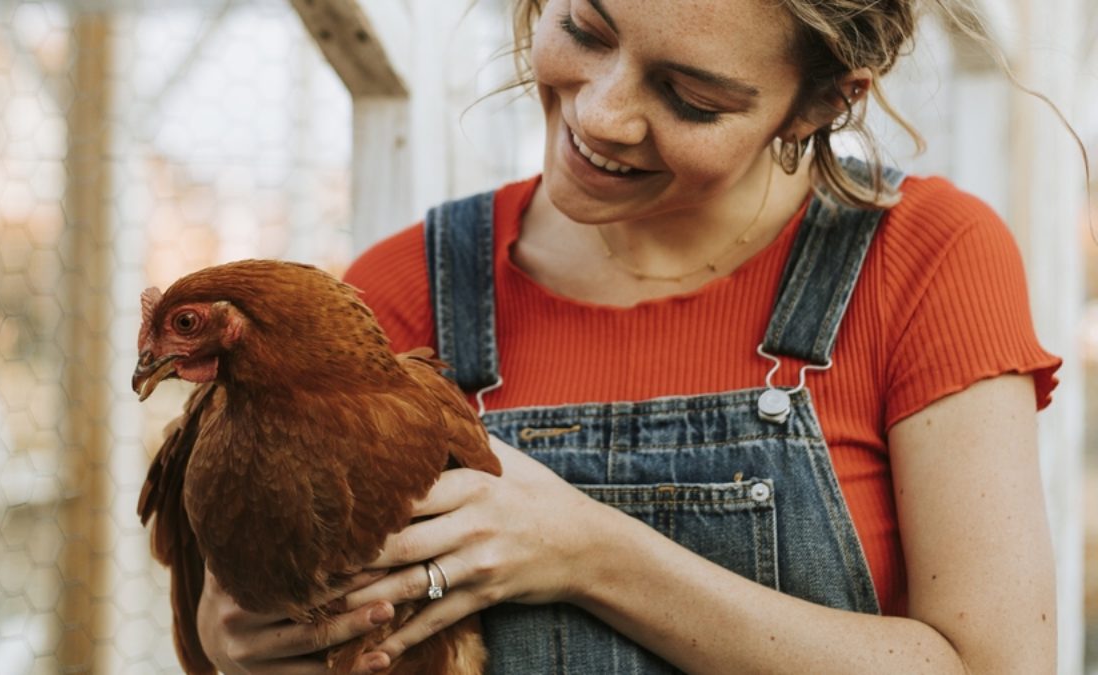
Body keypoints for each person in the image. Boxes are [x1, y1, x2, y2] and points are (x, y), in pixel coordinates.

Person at [195, 0, 1063, 672]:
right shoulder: (399, 291)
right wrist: (250, 632)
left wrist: (589, 552)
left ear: (821, 103)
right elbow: (255, 617)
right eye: (584, 28)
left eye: (691, 96)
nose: (603, 113)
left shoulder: (926, 259)